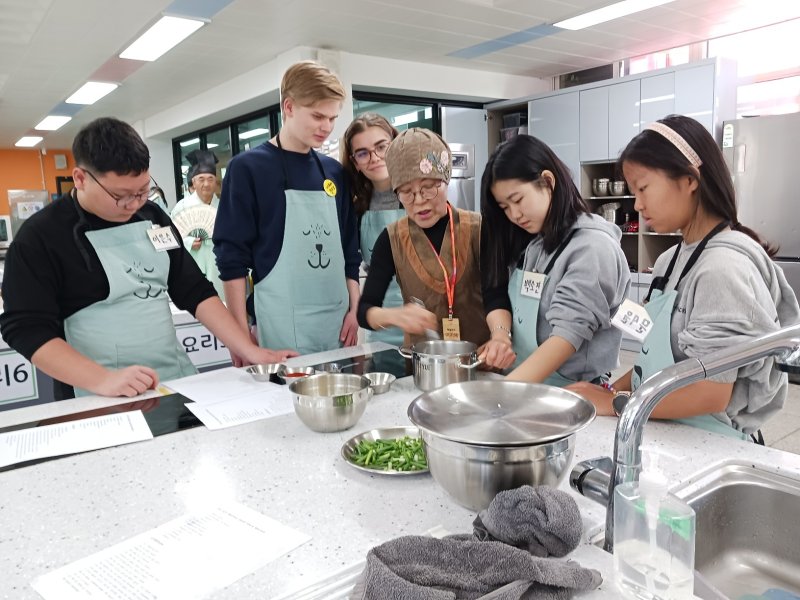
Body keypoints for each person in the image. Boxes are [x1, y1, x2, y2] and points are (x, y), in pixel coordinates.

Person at [0, 117, 297, 399]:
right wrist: (103, 379)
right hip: (95, 391)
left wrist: (249, 349)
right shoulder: (41, 237)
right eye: (121, 195)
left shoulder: (152, 216)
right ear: (80, 178)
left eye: (143, 191)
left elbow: (194, 290)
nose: (133, 204)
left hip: (172, 380)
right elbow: (26, 328)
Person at [567, 115, 800, 439]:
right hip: (668, 424)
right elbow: (658, 360)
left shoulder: (722, 269)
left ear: (690, 179)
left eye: (644, 188)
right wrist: (609, 387)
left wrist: (618, 403)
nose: (637, 203)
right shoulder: (669, 260)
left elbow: (710, 392)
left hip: (711, 439)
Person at [214, 60, 360, 362]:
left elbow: (349, 254)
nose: (327, 127)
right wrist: (241, 336)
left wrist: (355, 311)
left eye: (333, 118)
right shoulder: (248, 168)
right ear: (289, 107)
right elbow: (232, 261)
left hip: (338, 324)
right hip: (281, 327)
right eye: (318, 116)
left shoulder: (334, 173)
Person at [480, 134, 630, 386]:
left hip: (571, 391)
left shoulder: (593, 248)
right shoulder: (537, 243)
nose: (514, 215)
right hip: (529, 384)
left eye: (518, 200)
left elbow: (566, 337)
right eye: (505, 207)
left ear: (548, 181)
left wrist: (502, 393)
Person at [357, 127, 490, 349]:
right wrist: (395, 316)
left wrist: (499, 336)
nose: (419, 200)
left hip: (482, 361)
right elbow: (364, 311)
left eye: (429, 188)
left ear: (446, 181)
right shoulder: (392, 239)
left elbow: (499, 296)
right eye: (406, 192)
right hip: (426, 367)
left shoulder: (477, 229)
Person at [341, 113, 404, 349]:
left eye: (381, 147)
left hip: (425, 319)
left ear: (395, 146)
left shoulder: (419, 197)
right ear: (354, 161)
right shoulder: (356, 206)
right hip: (380, 320)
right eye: (363, 153)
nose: (375, 158)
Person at [171, 150, 225, 301]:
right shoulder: (181, 208)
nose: (206, 184)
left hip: (218, 262)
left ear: (216, 182)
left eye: (210, 179)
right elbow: (171, 237)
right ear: (193, 182)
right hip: (193, 261)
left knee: (221, 301)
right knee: (196, 303)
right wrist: (188, 241)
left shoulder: (224, 207)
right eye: (201, 179)